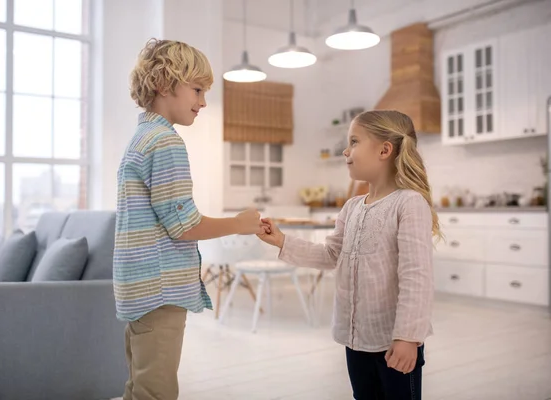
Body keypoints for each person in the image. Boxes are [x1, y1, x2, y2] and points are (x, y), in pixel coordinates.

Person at [113, 39, 264, 400]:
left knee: (139, 386)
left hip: (139, 289)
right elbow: (184, 227)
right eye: (197, 89)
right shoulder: (165, 142)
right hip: (159, 291)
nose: (203, 101)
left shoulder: (141, 136)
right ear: (164, 85)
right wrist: (239, 224)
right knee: (156, 392)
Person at [259, 110, 440, 400]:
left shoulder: (409, 203)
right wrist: (281, 241)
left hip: (394, 340)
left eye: (354, 141)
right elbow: (332, 254)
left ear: (384, 150)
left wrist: (407, 336)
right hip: (355, 340)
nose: (346, 150)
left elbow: (417, 276)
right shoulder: (352, 207)